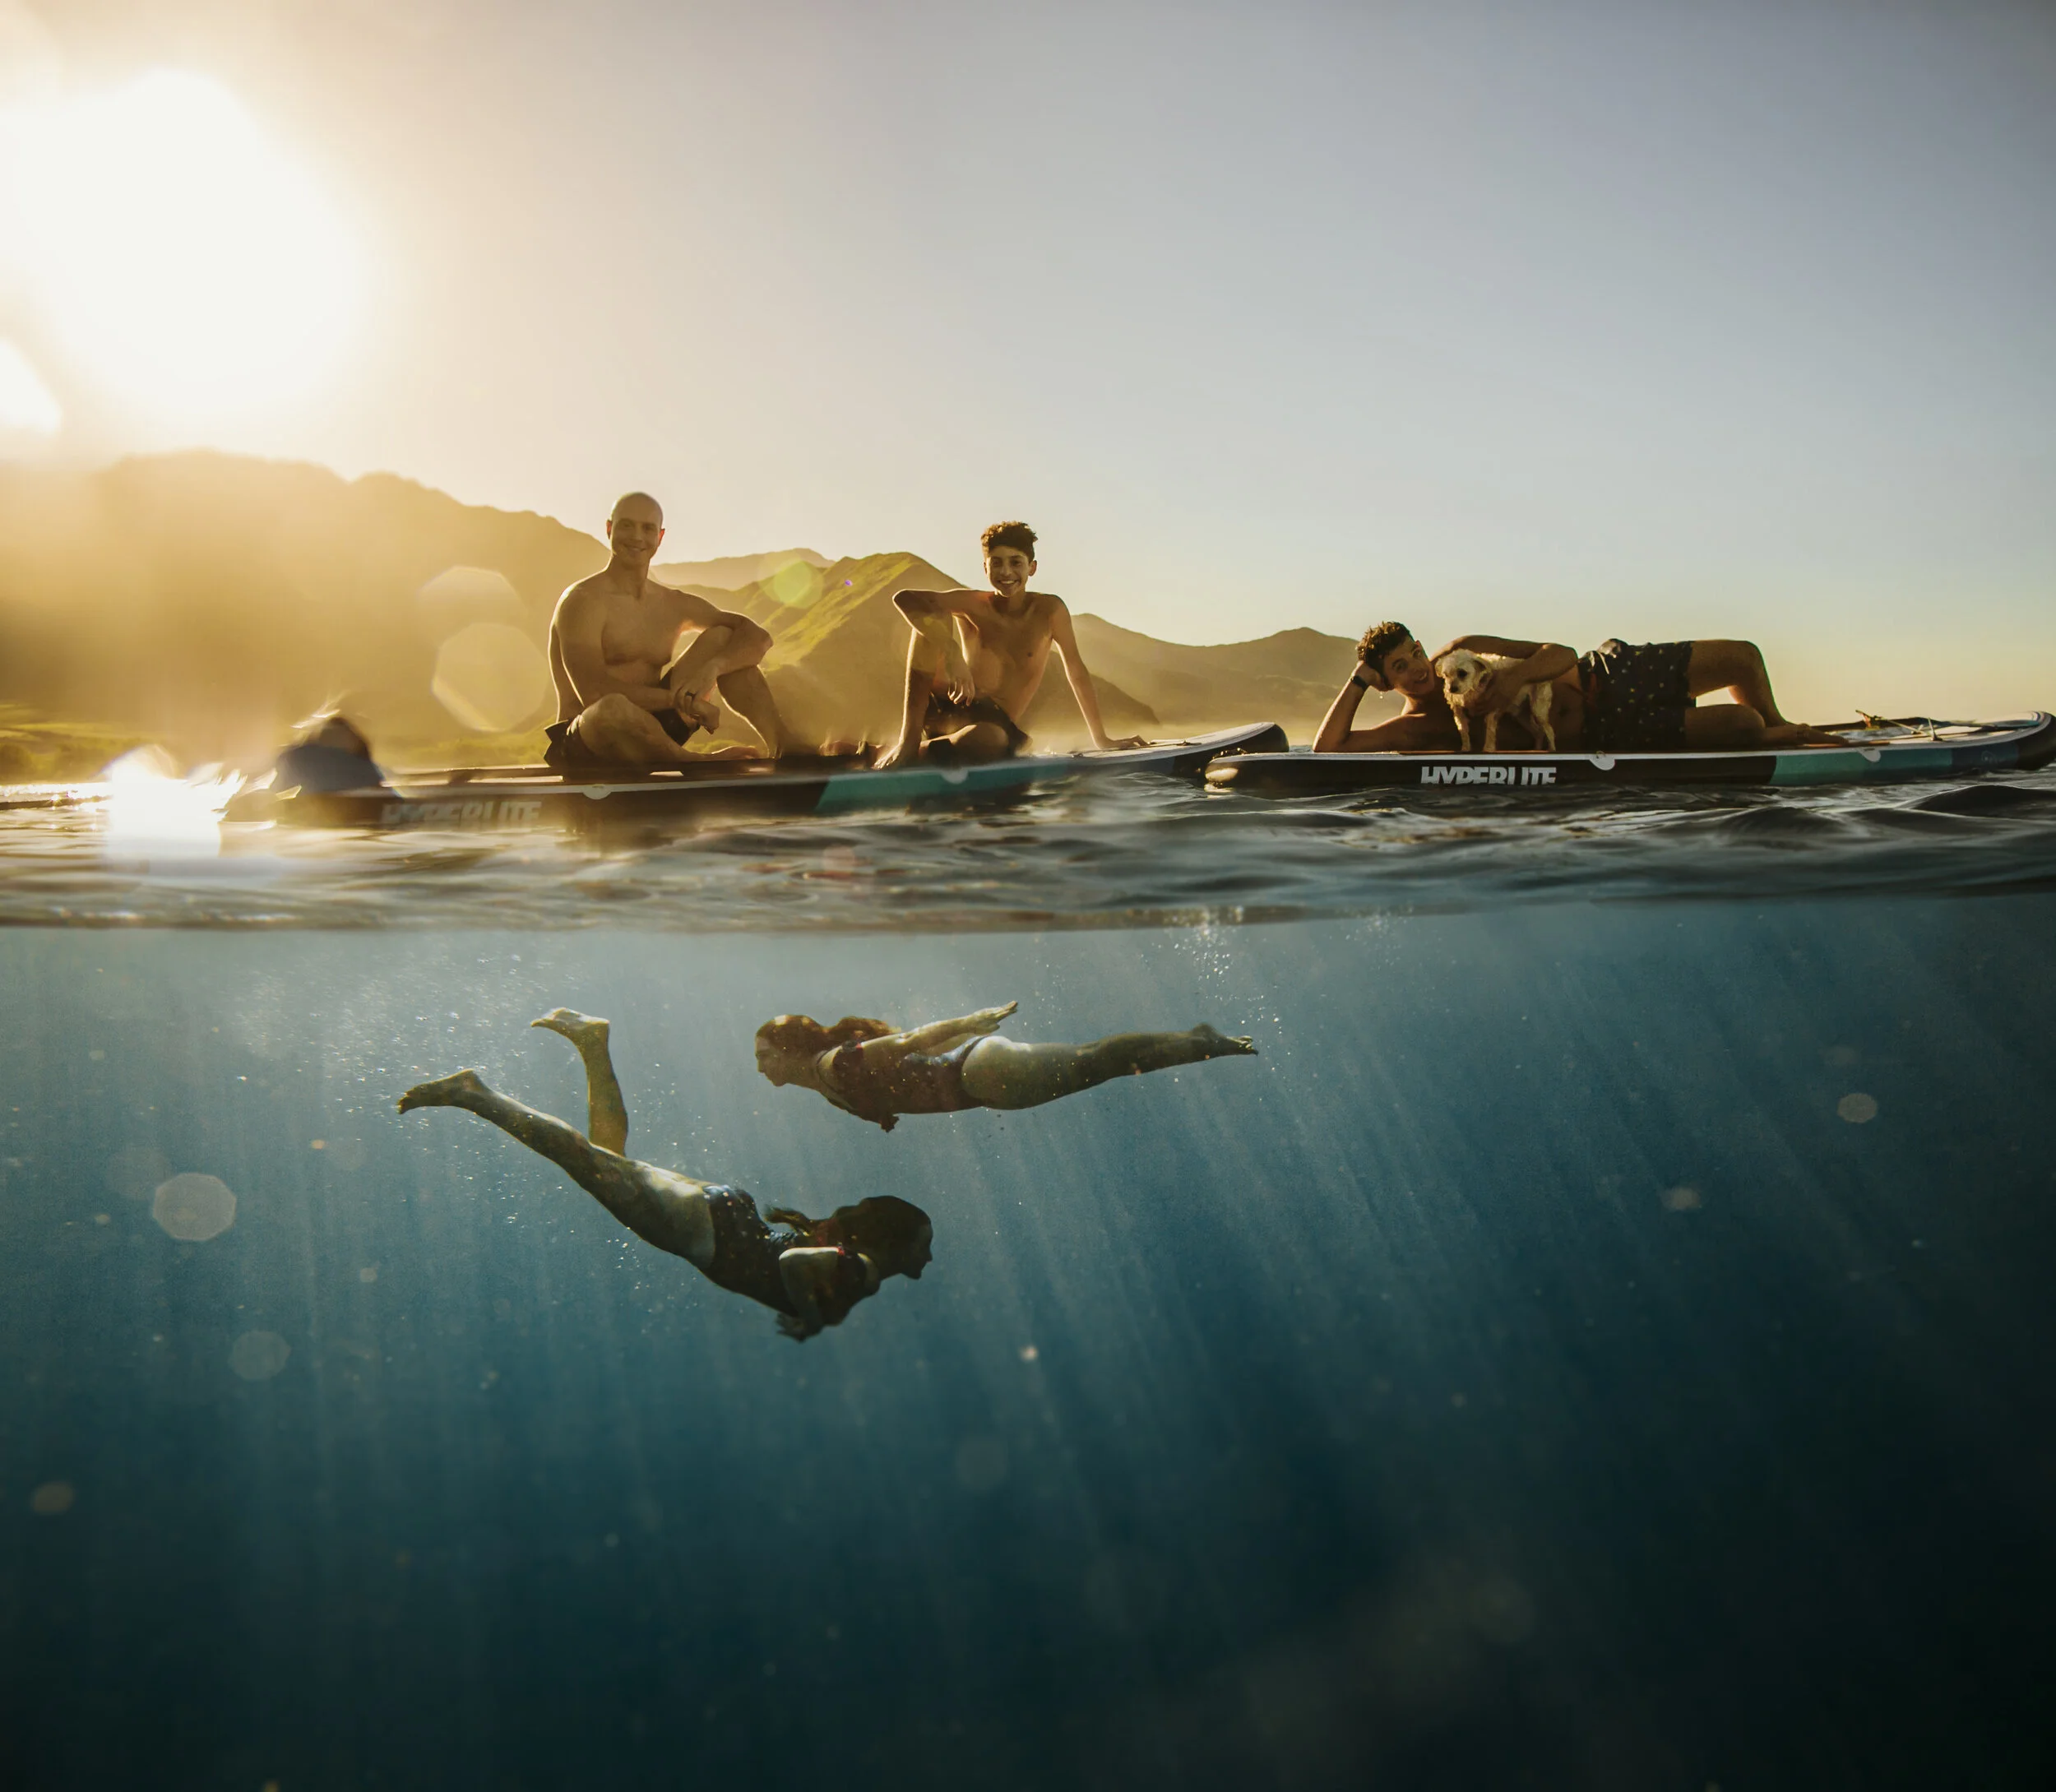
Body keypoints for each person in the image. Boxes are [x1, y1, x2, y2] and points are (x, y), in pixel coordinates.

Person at [396, 1010, 931, 1339]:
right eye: (923, 1245)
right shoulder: (863, 1271)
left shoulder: (860, 1271)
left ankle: (592, 1042)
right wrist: (810, 1323)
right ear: (897, 1243)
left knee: (608, 1160)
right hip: (713, 1236)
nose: (927, 1256)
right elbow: (793, 1262)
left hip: (725, 1217)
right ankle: (477, 1095)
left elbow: (793, 1260)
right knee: (586, 1163)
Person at [1314, 621, 1837, 752]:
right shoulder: (1414, 729)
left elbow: (1559, 654)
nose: (1420, 670)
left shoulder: (1466, 648)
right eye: (1400, 668)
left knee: (1743, 658)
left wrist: (1515, 676)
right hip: (1607, 731)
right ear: (1387, 683)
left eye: (1415, 653)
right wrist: (1357, 680)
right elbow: (1328, 747)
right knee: (1742, 725)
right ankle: (1773, 736)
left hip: (1603, 673)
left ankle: (1786, 728)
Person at [872, 521, 1147, 770]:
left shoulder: (1049, 610)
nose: (1006, 572)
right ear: (985, 567)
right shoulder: (973, 604)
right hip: (953, 704)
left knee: (987, 740)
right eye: (997, 563)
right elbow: (904, 598)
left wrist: (1102, 739)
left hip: (991, 727)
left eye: (1016, 563)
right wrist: (953, 653)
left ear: (1032, 567)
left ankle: (914, 752)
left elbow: (1075, 670)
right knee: (932, 616)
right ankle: (907, 744)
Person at [545, 492, 785, 771]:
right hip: (592, 740)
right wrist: (684, 701)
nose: (637, 537)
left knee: (724, 638)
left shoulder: (672, 604)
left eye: (647, 529)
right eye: (626, 525)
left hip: (658, 732)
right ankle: (694, 763)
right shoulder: (583, 601)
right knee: (612, 707)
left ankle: (783, 748)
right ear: (609, 529)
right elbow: (594, 693)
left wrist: (714, 669)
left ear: (659, 538)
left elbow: (758, 637)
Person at [753, 1001, 1257, 1132]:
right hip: (980, 1082)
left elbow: (905, 1041)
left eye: (763, 1055)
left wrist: (970, 1021)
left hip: (978, 1075)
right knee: (1100, 1062)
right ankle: (1198, 1043)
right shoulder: (826, 1083)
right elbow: (900, 1068)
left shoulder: (833, 1066)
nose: (759, 1068)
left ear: (790, 1049)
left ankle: (1200, 1042)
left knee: (1099, 1061)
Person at [273, 710, 388, 792]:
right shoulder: (361, 757)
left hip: (332, 802)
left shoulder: (302, 756)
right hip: (360, 797)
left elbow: (278, 788)